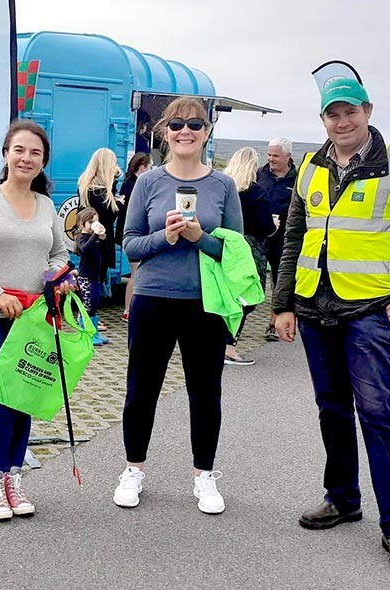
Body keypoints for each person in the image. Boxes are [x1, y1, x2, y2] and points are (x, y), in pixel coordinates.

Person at [273, 74, 390, 574]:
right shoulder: (310, 166)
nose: (342, 121)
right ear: (322, 119)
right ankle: (343, 498)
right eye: (333, 114)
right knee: (331, 408)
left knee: (377, 415)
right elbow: (293, 236)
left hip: (371, 313)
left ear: (368, 110)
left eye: (350, 111)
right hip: (315, 309)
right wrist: (283, 303)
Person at [114, 97, 242, 515]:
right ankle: (133, 469)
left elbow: (237, 251)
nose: (185, 131)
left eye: (195, 124)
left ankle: (204, 476)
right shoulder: (148, 183)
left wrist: (199, 238)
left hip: (204, 303)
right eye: (177, 125)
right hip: (153, 299)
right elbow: (129, 242)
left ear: (207, 132)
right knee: (141, 389)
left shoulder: (222, 186)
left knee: (205, 392)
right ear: (164, 133)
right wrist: (164, 238)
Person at [0, 120, 70, 520]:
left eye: (35, 153)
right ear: (6, 154)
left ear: (43, 162)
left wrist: (56, 278)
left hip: (34, 319)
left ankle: (15, 480)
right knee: (4, 400)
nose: (26, 158)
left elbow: (60, 253)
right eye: (19, 150)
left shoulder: (47, 206)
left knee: (25, 401)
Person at [221, 147, 275, 366]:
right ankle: (228, 346)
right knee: (247, 297)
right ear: (252, 166)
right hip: (249, 249)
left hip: (224, 246)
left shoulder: (223, 188)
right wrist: (274, 225)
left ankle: (218, 342)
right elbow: (266, 226)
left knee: (224, 295)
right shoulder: (257, 192)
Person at [77, 148, 121, 342]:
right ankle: (88, 322)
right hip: (100, 241)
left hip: (90, 240)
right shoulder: (101, 190)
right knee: (95, 282)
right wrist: (119, 203)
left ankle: (90, 321)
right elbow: (109, 214)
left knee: (92, 283)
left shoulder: (85, 186)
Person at [256, 137, 297, 341]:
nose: (271, 159)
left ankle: (273, 324)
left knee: (279, 281)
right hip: (259, 236)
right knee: (253, 277)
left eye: (275, 156)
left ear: (288, 157)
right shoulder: (259, 175)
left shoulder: (297, 179)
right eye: (269, 154)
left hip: (283, 239)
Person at [117, 153, 152, 320]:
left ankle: (129, 309)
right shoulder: (135, 187)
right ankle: (129, 310)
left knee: (135, 273)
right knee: (135, 273)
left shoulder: (127, 184)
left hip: (128, 235)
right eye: (150, 166)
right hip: (135, 236)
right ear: (143, 167)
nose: (151, 170)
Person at [75, 208, 108, 345]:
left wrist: (102, 239)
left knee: (94, 304)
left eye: (96, 221)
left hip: (95, 277)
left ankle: (93, 331)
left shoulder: (93, 238)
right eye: (91, 222)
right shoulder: (82, 237)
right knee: (87, 306)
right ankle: (85, 332)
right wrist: (95, 235)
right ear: (82, 224)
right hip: (85, 278)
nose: (94, 224)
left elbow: (104, 251)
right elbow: (85, 249)